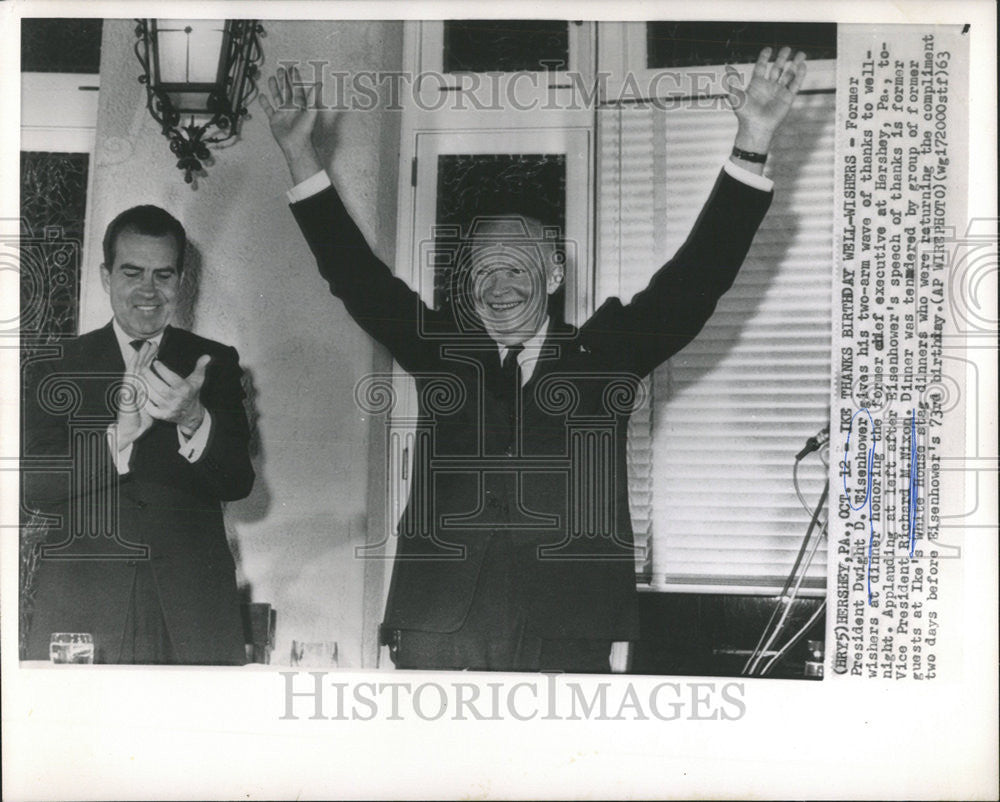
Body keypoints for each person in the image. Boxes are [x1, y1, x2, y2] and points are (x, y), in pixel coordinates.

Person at [260, 47, 808, 672]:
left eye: (517, 262)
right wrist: (299, 154)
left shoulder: (605, 355)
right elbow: (355, 278)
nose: (500, 283)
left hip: (568, 631)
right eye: (485, 268)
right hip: (439, 626)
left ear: (552, 271)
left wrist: (754, 137)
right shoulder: (444, 354)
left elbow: (697, 279)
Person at [22, 205, 255, 664]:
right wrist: (118, 438)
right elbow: (34, 487)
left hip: (191, 613)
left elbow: (237, 482)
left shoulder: (215, 362)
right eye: (133, 273)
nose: (148, 290)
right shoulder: (54, 365)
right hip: (83, 605)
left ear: (181, 281)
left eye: (163, 275)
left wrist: (193, 418)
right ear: (107, 276)